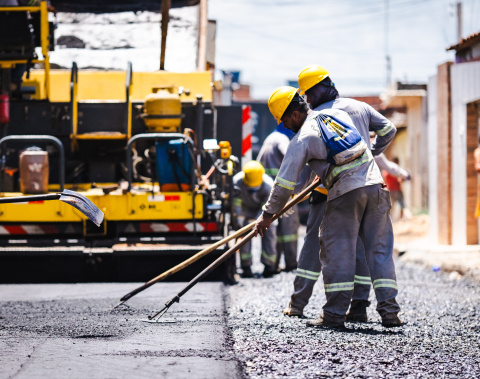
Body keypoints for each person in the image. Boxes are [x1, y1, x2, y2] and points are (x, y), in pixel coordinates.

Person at [255, 86, 402, 328]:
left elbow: (283, 183)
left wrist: (267, 215)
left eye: (284, 121)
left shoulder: (301, 138)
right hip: (376, 186)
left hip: (346, 194)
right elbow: (353, 149)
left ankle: (333, 315)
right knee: (379, 252)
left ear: (293, 115)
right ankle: (390, 312)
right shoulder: (338, 116)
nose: (285, 126)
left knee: (337, 252)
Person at [257, 122, 299, 273]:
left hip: (269, 191)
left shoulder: (269, 139)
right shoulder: (282, 139)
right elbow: (292, 155)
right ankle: (291, 263)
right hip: (284, 191)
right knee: (289, 230)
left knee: (276, 231)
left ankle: (273, 264)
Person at [233, 160, 278, 278]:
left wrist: (259, 221)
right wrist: (239, 219)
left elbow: (266, 207)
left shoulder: (268, 185)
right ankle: (246, 266)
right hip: (245, 212)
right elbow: (236, 204)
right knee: (244, 236)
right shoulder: (237, 182)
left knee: (270, 231)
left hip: (262, 212)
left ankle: (269, 265)